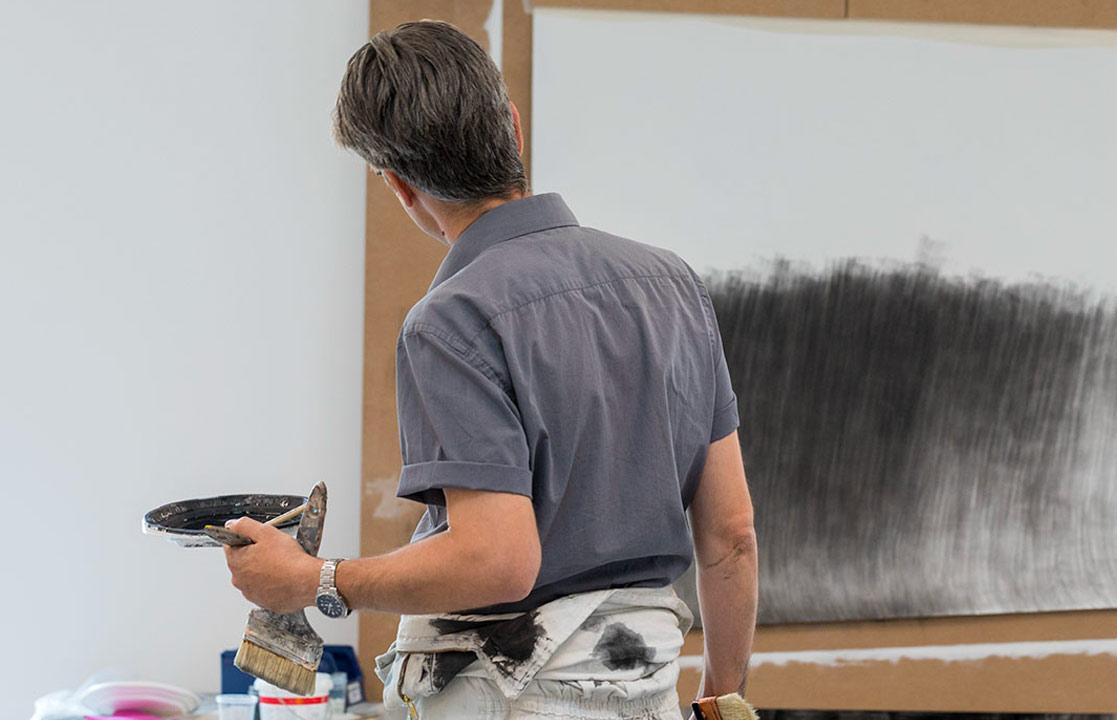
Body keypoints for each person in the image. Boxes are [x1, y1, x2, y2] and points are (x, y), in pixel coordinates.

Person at [221, 19, 757, 720]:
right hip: (647, 690)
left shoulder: (451, 322)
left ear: (400, 187)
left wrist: (316, 580)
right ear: (512, 128)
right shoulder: (674, 285)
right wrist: (718, 702)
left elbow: (497, 561)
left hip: (515, 700)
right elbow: (732, 536)